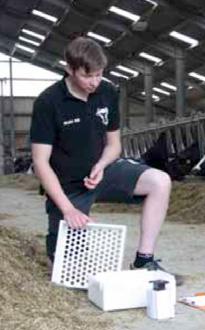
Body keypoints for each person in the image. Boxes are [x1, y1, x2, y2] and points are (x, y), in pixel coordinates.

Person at [30, 37, 177, 281]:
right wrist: (67, 209)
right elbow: (40, 162)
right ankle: (61, 244)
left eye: (99, 74)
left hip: (103, 173)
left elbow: (114, 145)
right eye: (88, 76)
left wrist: (101, 164)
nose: (94, 82)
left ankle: (144, 260)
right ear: (69, 68)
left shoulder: (107, 91)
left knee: (160, 181)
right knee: (70, 271)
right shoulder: (48, 102)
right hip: (67, 187)